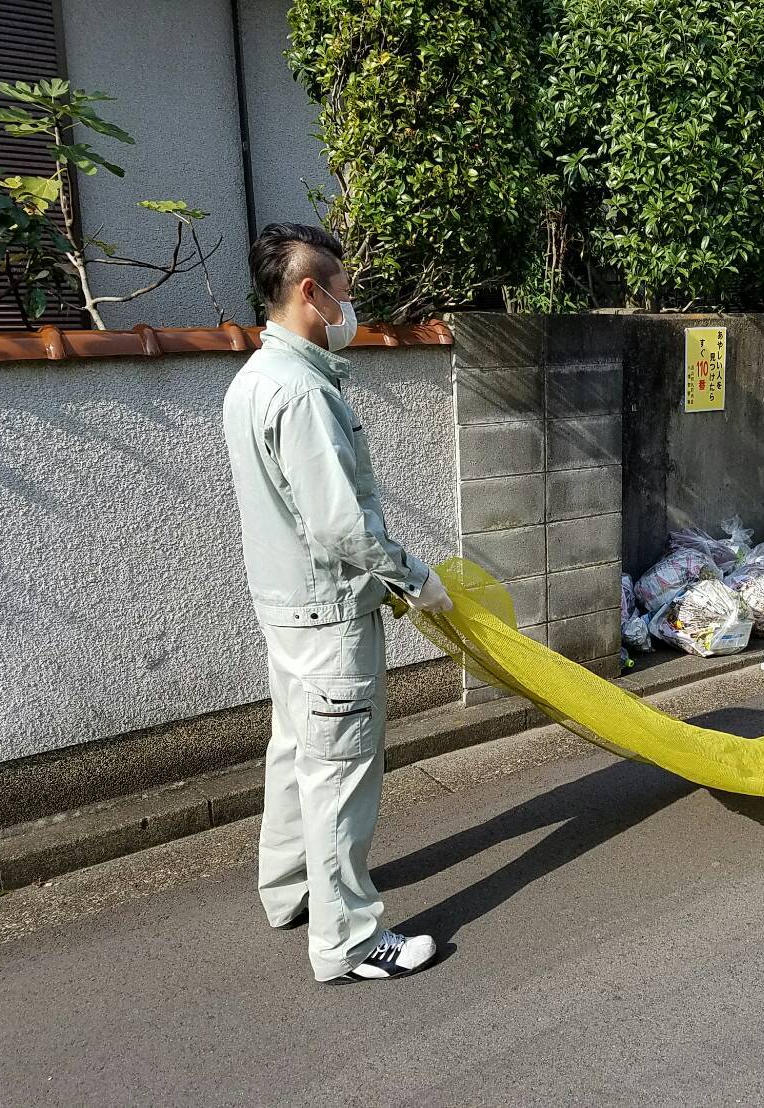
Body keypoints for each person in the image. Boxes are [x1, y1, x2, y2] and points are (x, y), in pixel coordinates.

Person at [222, 223, 453, 983]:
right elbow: (338, 524)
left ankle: (290, 893)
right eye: (346, 290)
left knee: (296, 754)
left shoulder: (254, 380)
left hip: (286, 610)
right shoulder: (303, 392)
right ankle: (349, 940)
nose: (352, 305)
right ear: (309, 292)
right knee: (340, 773)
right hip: (327, 616)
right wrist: (415, 576)